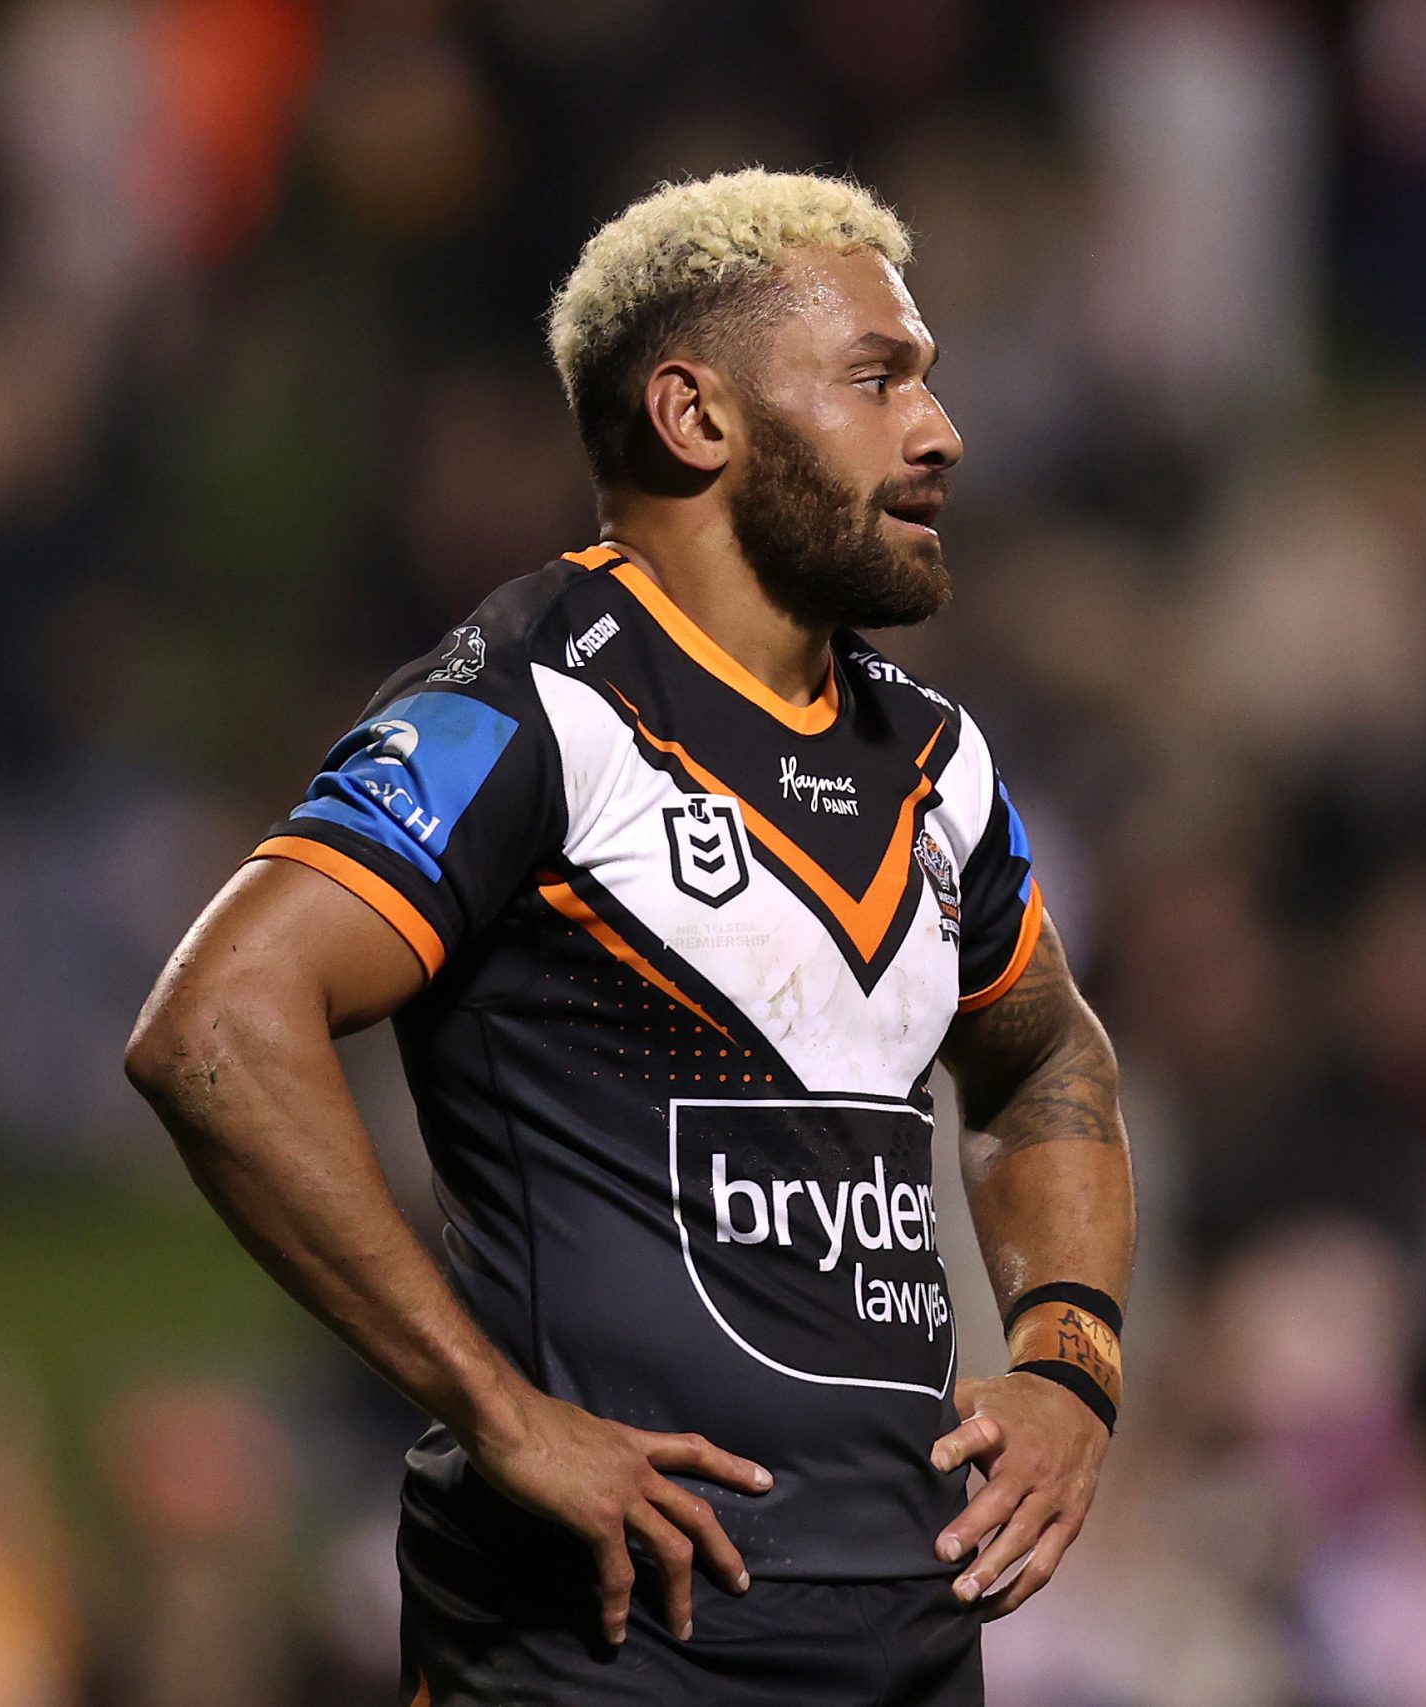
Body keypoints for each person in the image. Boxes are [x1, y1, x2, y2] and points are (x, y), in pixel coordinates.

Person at [125, 169, 1136, 1706]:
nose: (940, 432)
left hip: (910, 1629)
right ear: (696, 416)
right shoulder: (533, 702)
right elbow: (214, 1029)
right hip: (602, 1637)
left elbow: (1045, 1053)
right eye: (877, 379)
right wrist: (499, 1412)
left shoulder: (940, 762)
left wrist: (1070, 1358)